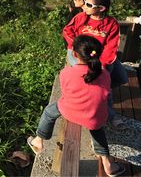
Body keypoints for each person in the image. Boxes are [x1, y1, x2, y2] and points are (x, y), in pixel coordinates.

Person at [27, 35, 126, 177]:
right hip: (95, 118)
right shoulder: (104, 74)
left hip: (70, 111)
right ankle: (108, 164)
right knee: (97, 129)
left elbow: (66, 94)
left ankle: (39, 140)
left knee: (49, 112)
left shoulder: (66, 72)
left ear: (74, 54)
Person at [63, 0, 129, 128]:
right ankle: (111, 114)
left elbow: (111, 46)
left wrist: (102, 65)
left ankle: (98, 97)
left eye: (88, 4)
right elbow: (67, 31)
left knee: (122, 78)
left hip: (100, 58)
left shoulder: (111, 24)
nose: (84, 6)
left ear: (101, 8)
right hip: (80, 55)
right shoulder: (80, 17)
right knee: (102, 82)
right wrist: (77, 46)